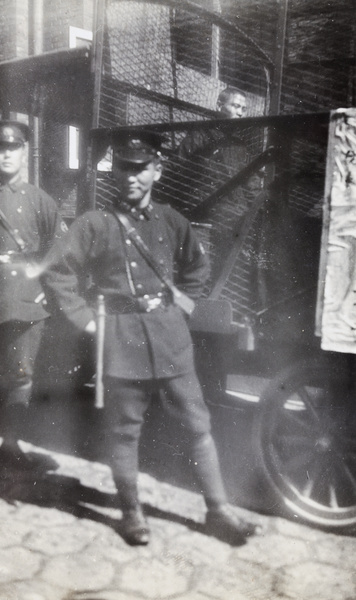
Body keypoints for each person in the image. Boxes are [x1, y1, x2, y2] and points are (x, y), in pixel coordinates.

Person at [42, 129, 258, 546]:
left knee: (198, 424)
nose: (132, 177)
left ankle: (218, 510)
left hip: (170, 338)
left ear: (157, 171)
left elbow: (197, 266)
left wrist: (182, 308)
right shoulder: (94, 224)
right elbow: (57, 271)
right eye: (124, 167)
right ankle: (131, 514)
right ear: (115, 171)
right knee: (124, 431)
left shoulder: (172, 220)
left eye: (141, 169)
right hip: (121, 341)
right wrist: (86, 320)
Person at [0, 119, 67, 469]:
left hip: (24, 299)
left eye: (12, 147)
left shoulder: (41, 201)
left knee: (20, 375)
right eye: (1, 147)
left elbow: (57, 255)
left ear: (24, 152)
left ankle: (9, 445)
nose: (5, 154)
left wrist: (47, 297)